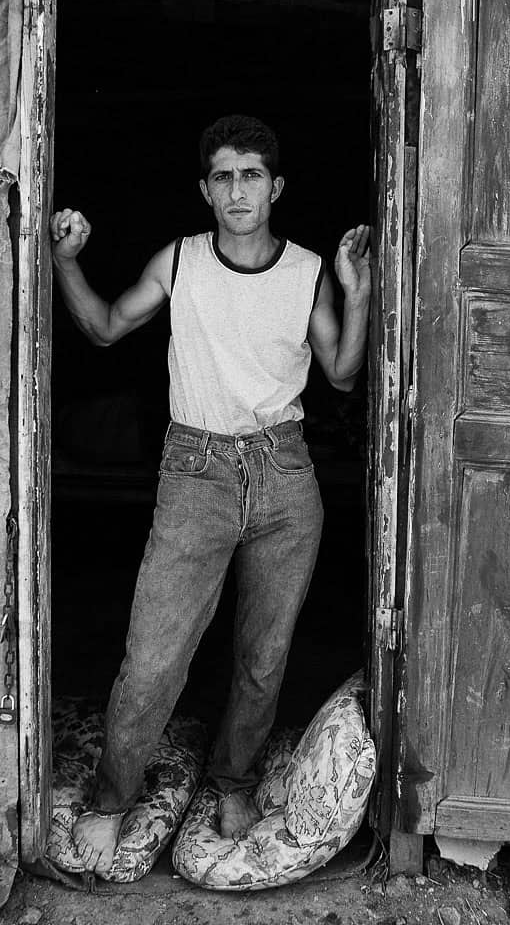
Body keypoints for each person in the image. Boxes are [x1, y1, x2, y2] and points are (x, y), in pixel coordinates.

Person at [49, 114, 371, 876]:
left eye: (252, 174)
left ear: (276, 187)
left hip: (286, 476)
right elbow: (101, 328)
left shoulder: (304, 271)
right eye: (223, 176)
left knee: (263, 656)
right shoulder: (182, 262)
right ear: (204, 189)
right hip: (195, 473)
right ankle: (109, 799)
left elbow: (345, 373)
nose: (238, 190)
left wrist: (357, 290)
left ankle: (232, 779)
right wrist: (64, 261)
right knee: (155, 656)